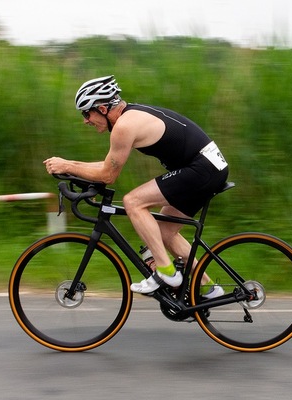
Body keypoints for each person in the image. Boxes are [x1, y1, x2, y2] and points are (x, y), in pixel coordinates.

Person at [43, 75, 228, 298]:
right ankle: (208, 289)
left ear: (102, 108)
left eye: (86, 113)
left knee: (133, 201)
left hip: (203, 169)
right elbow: (107, 165)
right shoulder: (130, 115)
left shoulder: (125, 125)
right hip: (208, 167)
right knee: (165, 232)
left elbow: (107, 175)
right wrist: (69, 165)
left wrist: (68, 166)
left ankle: (166, 272)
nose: (85, 120)